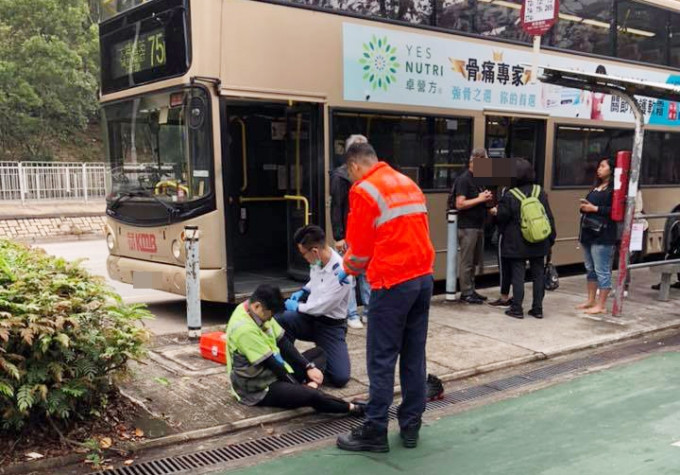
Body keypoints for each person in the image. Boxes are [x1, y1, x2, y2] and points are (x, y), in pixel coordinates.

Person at [335, 143, 435, 453]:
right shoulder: (408, 184)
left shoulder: (365, 191)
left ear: (354, 167)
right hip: (423, 278)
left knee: (381, 358)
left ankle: (376, 429)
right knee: (414, 355)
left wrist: (346, 268)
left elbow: (360, 249)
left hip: (391, 282)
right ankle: (411, 426)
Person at [226, 284, 365, 415]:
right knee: (312, 395)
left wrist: (308, 366)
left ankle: (306, 385)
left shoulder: (253, 309)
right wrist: (300, 389)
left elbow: (283, 343)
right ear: (257, 306)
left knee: (319, 354)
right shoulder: (244, 328)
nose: (271, 318)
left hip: (273, 370)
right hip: (259, 387)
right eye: (270, 314)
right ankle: (353, 408)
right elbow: (274, 365)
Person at [276, 225, 352, 388]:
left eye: (304, 254)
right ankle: (287, 365)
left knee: (340, 377)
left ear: (315, 251)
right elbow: (316, 280)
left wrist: (297, 306)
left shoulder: (342, 272)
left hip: (330, 326)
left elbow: (322, 307)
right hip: (310, 319)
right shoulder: (317, 261)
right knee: (280, 319)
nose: (304, 258)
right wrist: (304, 289)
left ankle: (306, 369)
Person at [493, 158, 556, 319]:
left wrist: (495, 212)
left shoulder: (510, 195)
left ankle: (517, 309)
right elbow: (548, 216)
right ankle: (537, 309)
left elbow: (502, 218)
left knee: (518, 275)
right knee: (537, 274)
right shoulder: (539, 191)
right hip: (539, 239)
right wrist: (550, 239)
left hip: (517, 242)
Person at [330, 134, 371, 329]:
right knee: (351, 275)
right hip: (349, 233)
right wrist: (339, 235)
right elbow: (336, 206)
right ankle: (352, 313)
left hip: (365, 232)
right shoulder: (341, 175)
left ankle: (369, 311)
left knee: (366, 274)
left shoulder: (369, 175)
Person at [451, 148, 494, 304]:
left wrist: (486, 200)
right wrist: (481, 198)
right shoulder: (464, 179)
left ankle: (471, 289)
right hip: (467, 226)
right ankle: (466, 292)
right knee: (467, 261)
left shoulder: (478, 179)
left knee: (474, 260)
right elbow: (460, 204)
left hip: (478, 225)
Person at [577, 158, 617, 315]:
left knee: (602, 270)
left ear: (612, 169)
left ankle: (601, 305)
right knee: (590, 268)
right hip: (588, 232)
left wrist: (594, 208)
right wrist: (585, 207)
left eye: (603, 166)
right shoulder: (597, 187)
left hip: (603, 234)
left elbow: (614, 211)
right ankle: (591, 299)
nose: (599, 169)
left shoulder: (614, 190)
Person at [488, 184, 513, 307]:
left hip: (505, 233)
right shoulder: (533, 189)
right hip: (520, 235)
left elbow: (503, 214)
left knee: (504, 266)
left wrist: (495, 212)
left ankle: (504, 297)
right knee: (517, 267)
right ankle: (516, 296)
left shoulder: (507, 191)